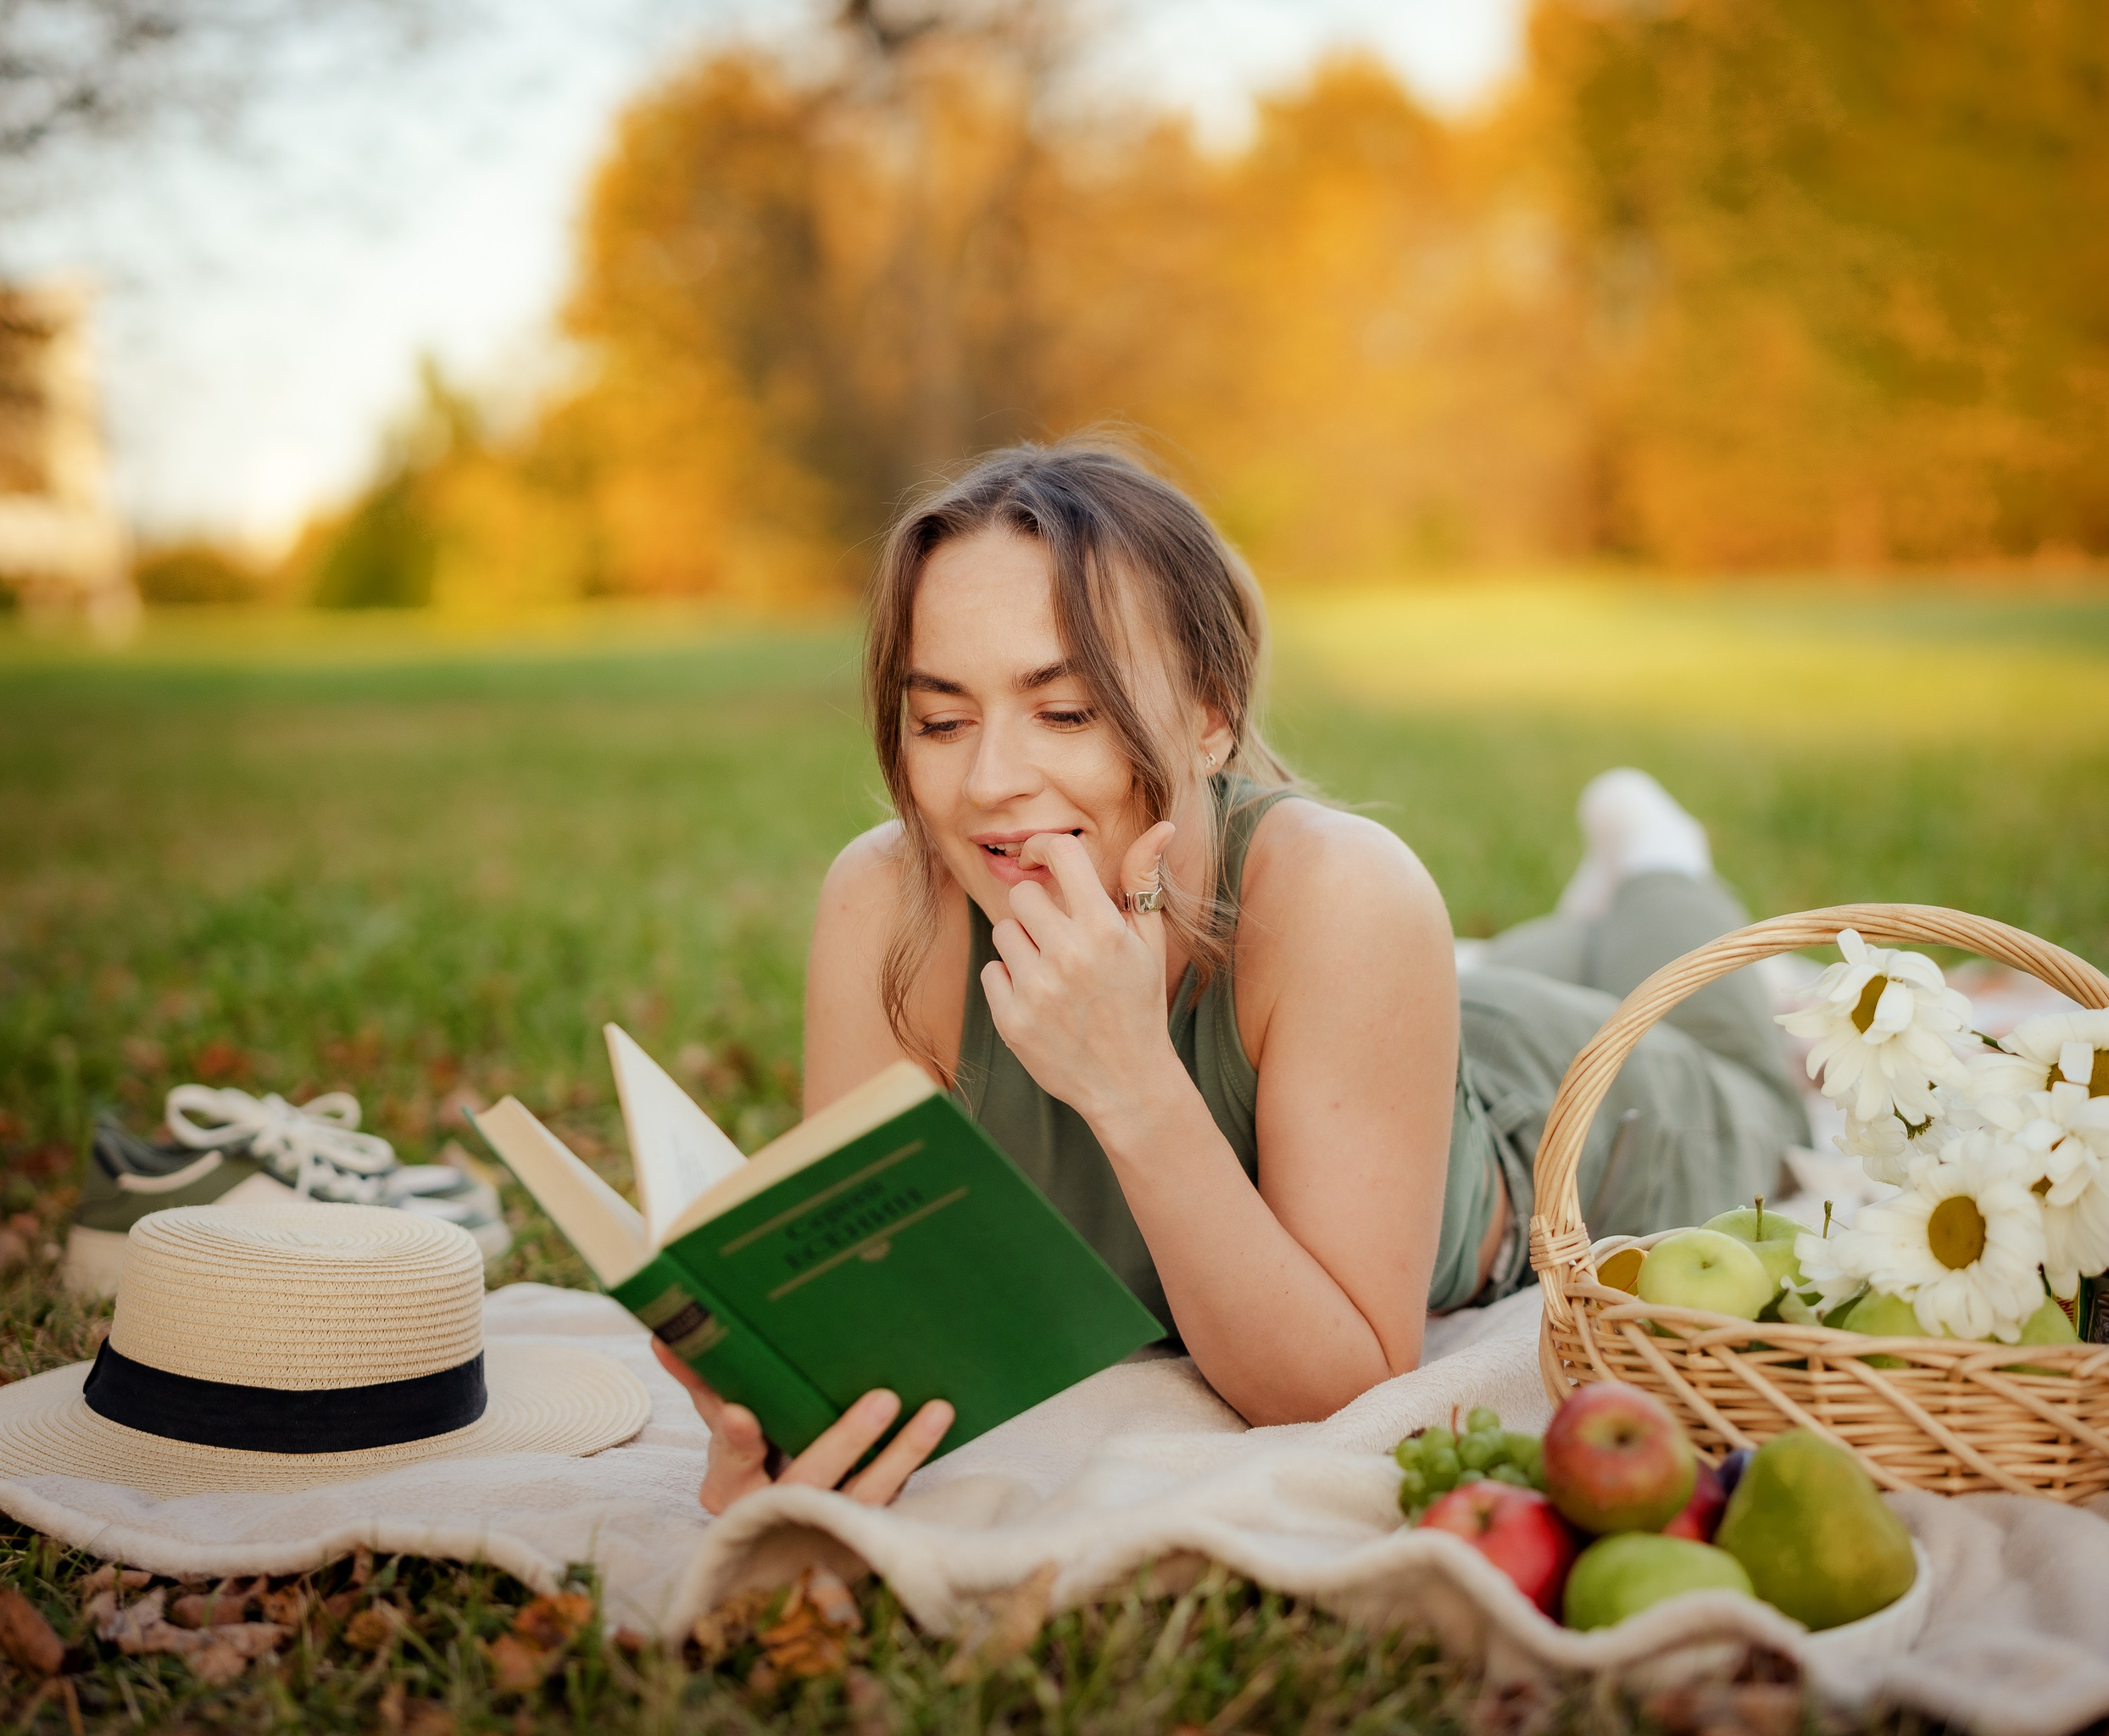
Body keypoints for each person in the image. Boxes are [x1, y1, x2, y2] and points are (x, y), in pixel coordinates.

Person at [656, 439, 1807, 1516]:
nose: (990, 782)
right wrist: (775, 1405)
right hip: (1360, 1006)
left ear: (1211, 714)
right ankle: (1507, 953)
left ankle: (1650, 853)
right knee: (1479, 973)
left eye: (1065, 710)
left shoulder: (1345, 892)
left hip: (1561, 1103)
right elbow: (876, 1315)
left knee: (1743, 1044)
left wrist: (1128, 1080)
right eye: (941, 720)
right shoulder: (888, 906)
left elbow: (1339, 1387)